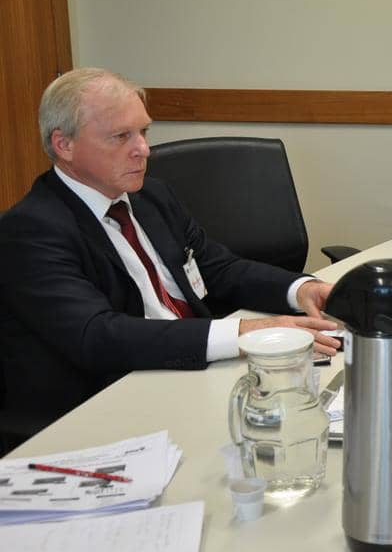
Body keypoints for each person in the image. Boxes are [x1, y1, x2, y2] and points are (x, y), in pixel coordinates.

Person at [0, 68, 342, 429]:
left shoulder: (151, 196)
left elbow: (217, 268)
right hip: (105, 408)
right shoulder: (30, 230)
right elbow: (97, 336)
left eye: (144, 131)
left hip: (191, 373)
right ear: (63, 144)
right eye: (121, 136)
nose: (143, 149)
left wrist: (302, 289)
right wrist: (244, 333)